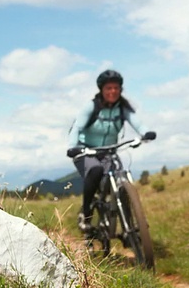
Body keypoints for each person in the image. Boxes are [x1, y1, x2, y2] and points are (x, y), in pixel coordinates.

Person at [66, 69, 156, 238]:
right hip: (85, 151)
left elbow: (137, 122)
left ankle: (130, 228)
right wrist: (73, 147)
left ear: (120, 89)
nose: (113, 91)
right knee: (95, 171)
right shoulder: (92, 106)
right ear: (102, 90)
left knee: (121, 178)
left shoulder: (122, 108)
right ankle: (86, 215)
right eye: (109, 88)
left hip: (109, 151)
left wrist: (146, 133)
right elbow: (77, 127)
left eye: (116, 88)